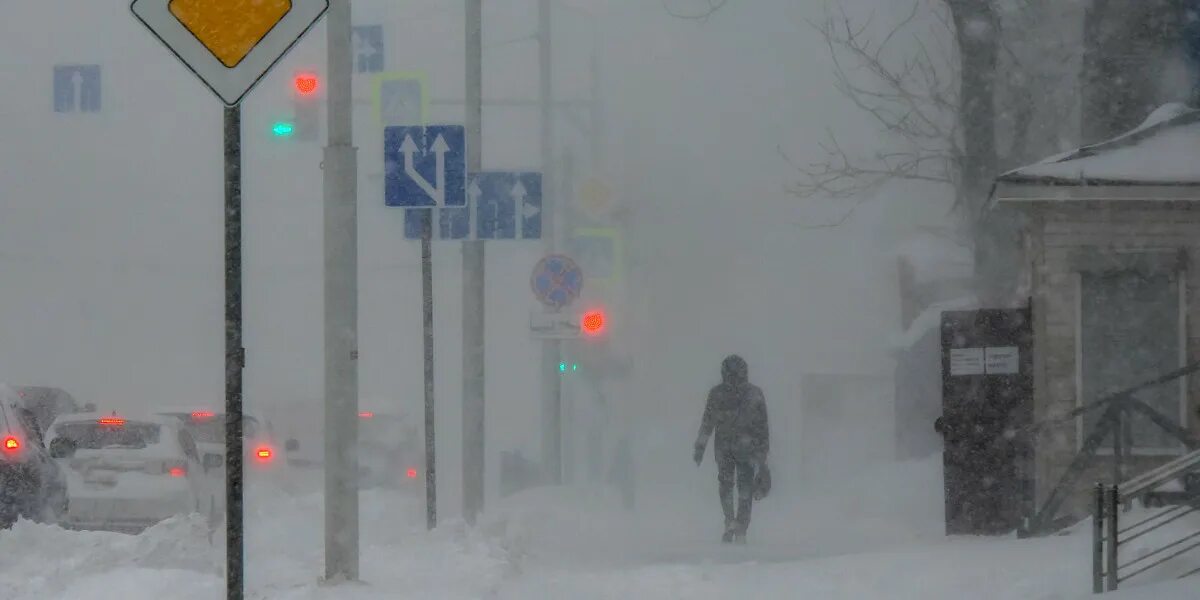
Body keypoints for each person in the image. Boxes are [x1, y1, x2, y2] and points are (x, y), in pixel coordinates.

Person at [693, 354, 769, 543]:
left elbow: (707, 422)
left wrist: (700, 446)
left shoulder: (717, 394)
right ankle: (741, 527)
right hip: (747, 449)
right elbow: (762, 427)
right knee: (745, 489)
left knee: (726, 485)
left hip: (724, 447)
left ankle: (730, 520)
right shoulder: (755, 394)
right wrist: (762, 455)